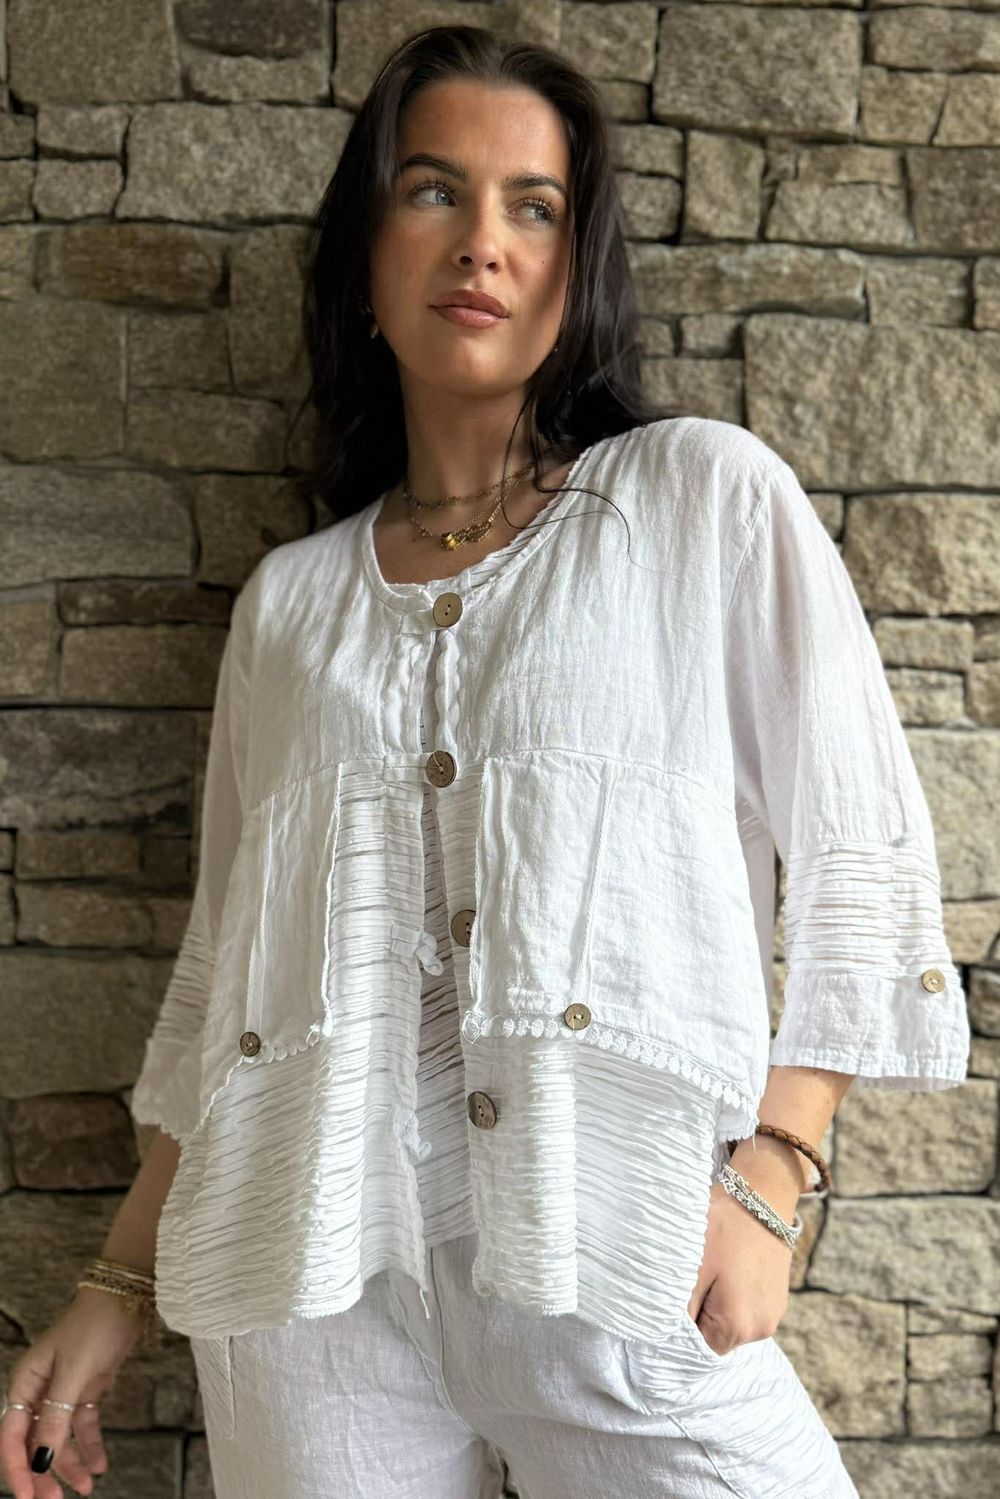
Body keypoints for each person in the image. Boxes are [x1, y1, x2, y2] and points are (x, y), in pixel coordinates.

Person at [1, 23, 970, 1499]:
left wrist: (775, 1170)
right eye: (432, 190)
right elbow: (225, 985)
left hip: (620, 1256)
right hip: (311, 1309)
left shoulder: (699, 501)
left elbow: (865, 854)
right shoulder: (290, 604)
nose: (483, 242)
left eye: (536, 206)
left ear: (581, 266)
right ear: (367, 253)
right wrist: (114, 1288)